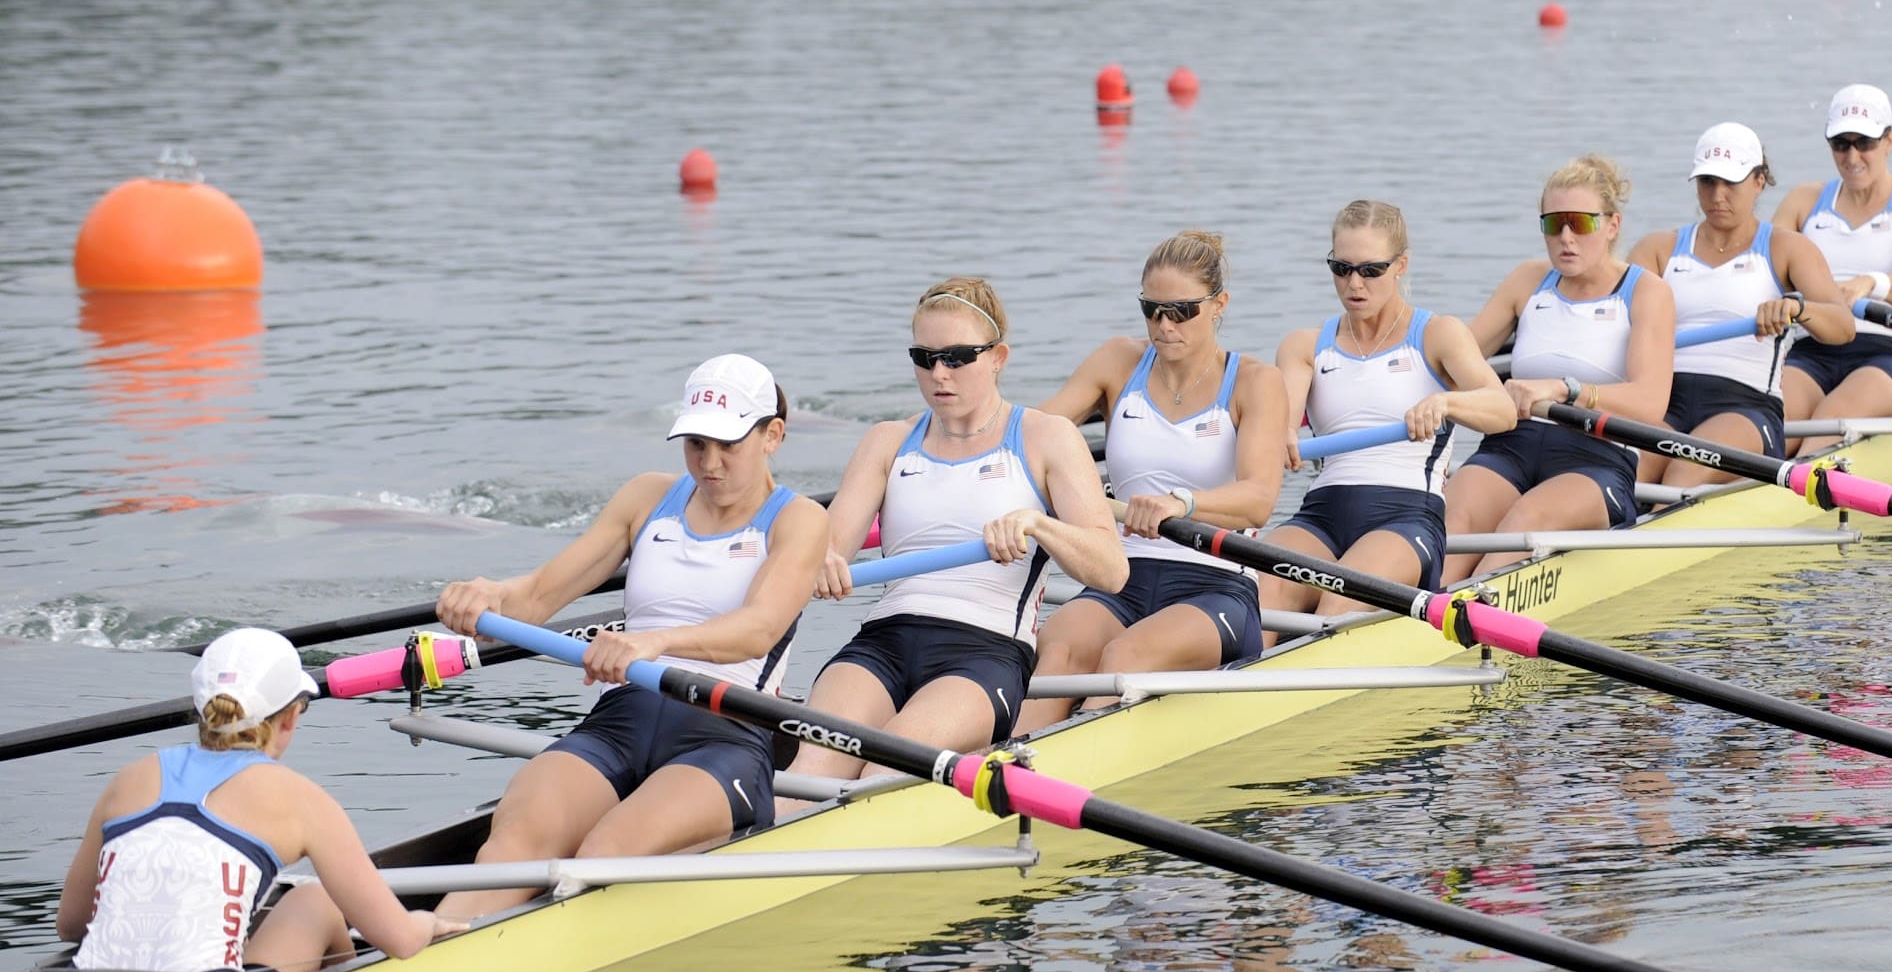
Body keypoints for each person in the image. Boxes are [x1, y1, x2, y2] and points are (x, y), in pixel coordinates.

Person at [434, 354, 826, 920]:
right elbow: (540, 595)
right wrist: (486, 596)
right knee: (514, 843)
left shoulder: (799, 520)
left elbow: (759, 630)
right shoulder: (646, 497)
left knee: (604, 857)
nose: (709, 464)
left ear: (773, 436)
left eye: (728, 445)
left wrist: (654, 642)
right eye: (695, 444)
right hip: (619, 723)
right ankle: (431, 949)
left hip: (723, 739)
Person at [803, 278, 1127, 774]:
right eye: (923, 357)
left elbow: (1111, 571)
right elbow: (827, 549)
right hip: (881, 641)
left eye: (957, 357)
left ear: (998, 357)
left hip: (984, 652)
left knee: (884, 771)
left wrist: (1039, 524)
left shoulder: (1047, 437)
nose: (938, 373)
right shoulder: (887, 441)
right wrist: (818, 561)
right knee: (808, 774)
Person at [57, 628, 463, 972]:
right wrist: (425, 922)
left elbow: (73, 925)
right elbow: (402, 942)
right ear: (290, 718)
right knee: (315, 899)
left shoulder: (131, 778)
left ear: (201, 710)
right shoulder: (301, 800)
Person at [1015, 231, 1285, 734]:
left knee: (1123, 654)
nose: (1164, 326)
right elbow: (1027, 436)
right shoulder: (1118, 362)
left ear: (1219, 304)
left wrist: (1180, 503)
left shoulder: (1253, 380)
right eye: (1151, 310)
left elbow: (1259, 500)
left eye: (1181, 311)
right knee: (1057, 651)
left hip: (1217, 586)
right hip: (1120, 578)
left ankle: (1077, 759)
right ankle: (1002, 766)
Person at [1257, 200, 1517, 637]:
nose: (1353, 284)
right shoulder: (1304, 345)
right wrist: (1278, 434)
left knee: (1335, 606)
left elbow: (1503, 412)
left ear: (1401, 265)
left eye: (1370, 270)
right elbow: (1282, 416)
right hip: (1320, 515)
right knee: (1257, 596)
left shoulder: (1437, 334)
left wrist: (1447, 404)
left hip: (1407, 517)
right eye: (1341, 268)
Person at [1442, 156, 1676, 583]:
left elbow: (1650, 403)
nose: (1566, 237)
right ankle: (1413, 617)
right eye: (1553, 224)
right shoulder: (1528, 280)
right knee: (1451, 523)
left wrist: (1567, 389)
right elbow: (1454, 361)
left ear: (1612, 225)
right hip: (1509, 447)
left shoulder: (1645, 291)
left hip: (1596, 456)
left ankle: (1466, 615)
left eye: (1580, 223)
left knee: (1524, 521)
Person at [1627, 123, 1855, 490]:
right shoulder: (1657, 249)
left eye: (1730, 183)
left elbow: (1843, 328)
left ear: (1759, 181)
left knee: (1686, 470)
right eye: (1707, 182)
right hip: (1662, 400)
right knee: (1626, 468)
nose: (1717, 195)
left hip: (1746, 408)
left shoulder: (1786, 248)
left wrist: (1796, 308)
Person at [1773, 84, 1892, 454]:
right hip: (1812, 350)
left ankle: (1795, 491)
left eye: (1864, 143)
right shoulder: (1804, 201)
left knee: (1821, 431)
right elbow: (1766, 274)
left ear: (1890, 140)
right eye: (1841, 144)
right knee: (1771, 431)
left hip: (1890, 352)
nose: (1852, 156)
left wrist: (1869, 283)